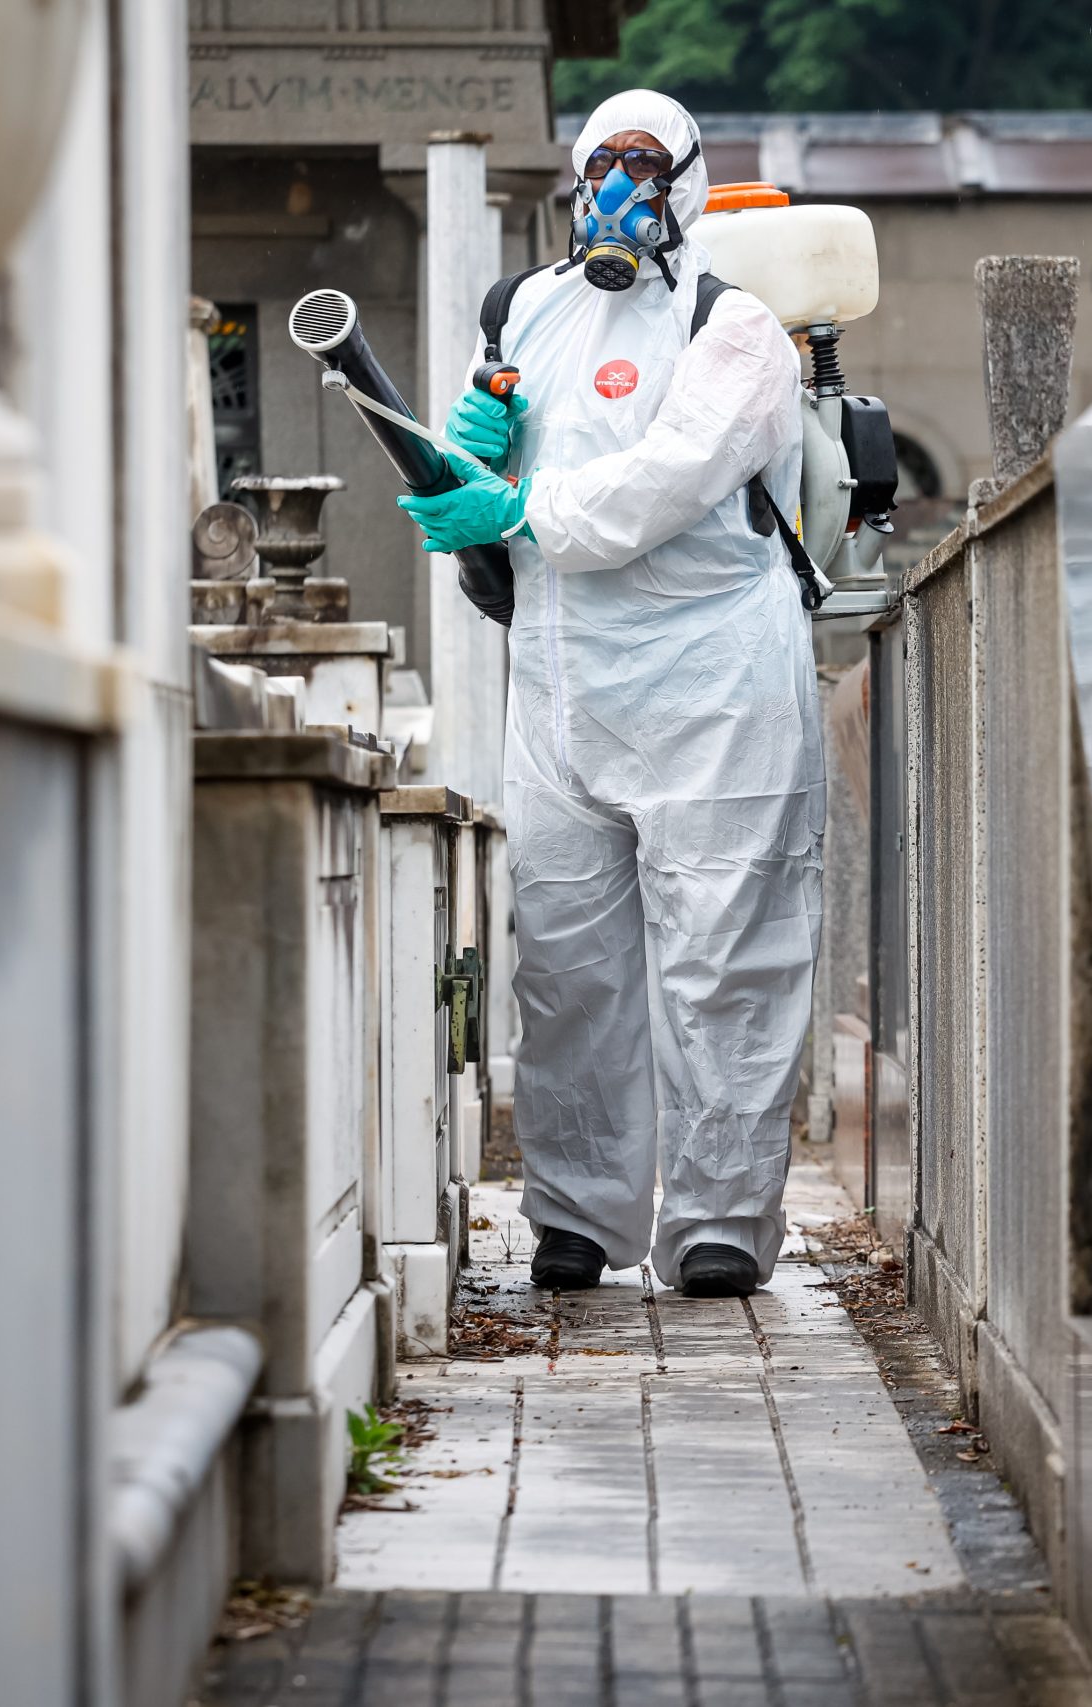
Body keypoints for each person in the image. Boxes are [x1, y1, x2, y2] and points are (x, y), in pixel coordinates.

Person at [396, 88, 822, 1300]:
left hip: (714, 685)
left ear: (687, 182)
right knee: (568, 962)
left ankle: (719, 1222)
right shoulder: (526, 309)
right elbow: (501, 473)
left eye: (644, 165)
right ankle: (578, 1217)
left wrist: (518, 506)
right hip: (564, 682)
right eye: (601, 164)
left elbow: (664, 483)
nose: (619, 188)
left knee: (723, 959)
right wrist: (473, 448)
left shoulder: (736, 330)